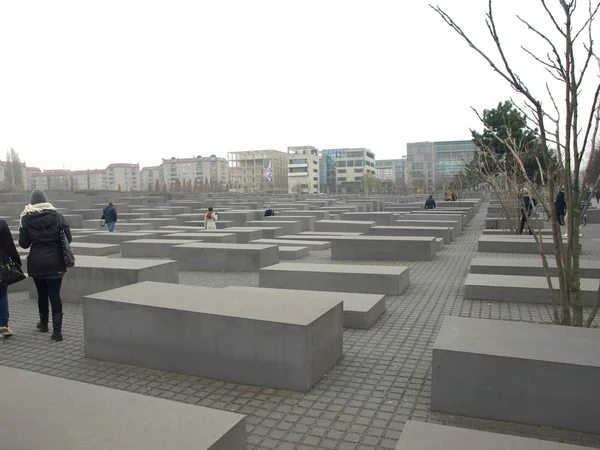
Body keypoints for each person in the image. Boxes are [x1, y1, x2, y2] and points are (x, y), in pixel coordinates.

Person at [19, 190, 72, 342]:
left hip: (36, 263)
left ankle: (43, 324)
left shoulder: (26, 218)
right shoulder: (58, 216)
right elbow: (69, 239)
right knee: (54, 295)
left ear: (32, 203)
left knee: (42, 294)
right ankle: (57, 332)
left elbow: (24, 244)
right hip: (56, 262)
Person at [0, 218, 22, 339]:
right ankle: (3, 325)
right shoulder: (1, 224)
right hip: (1, 265)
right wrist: (17, 261)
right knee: (2, 295)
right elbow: (10, 246)